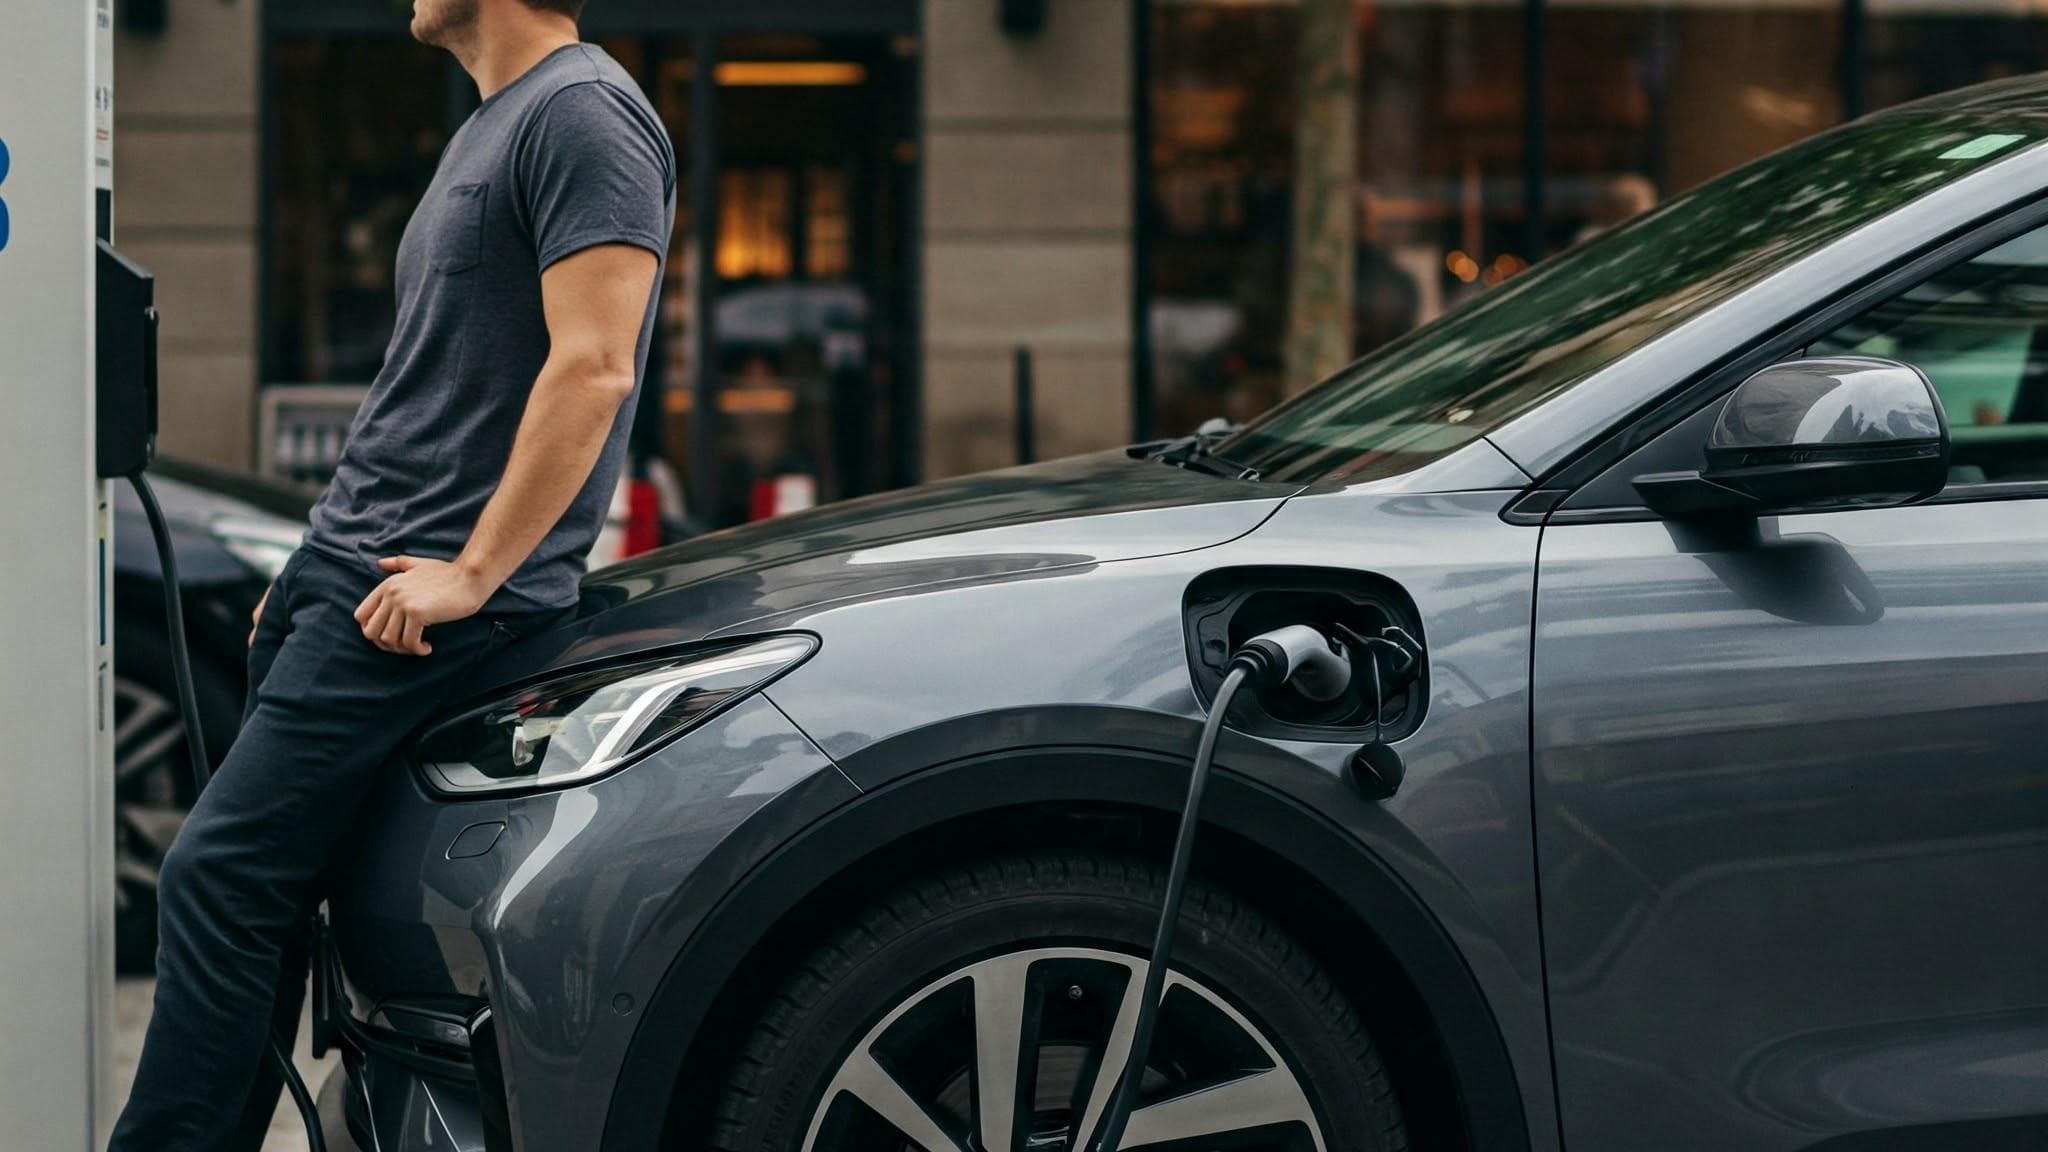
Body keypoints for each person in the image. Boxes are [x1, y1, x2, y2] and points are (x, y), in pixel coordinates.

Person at [109, 0, 674, 1146]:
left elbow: (595, 369)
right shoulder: (497, 119)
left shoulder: (584, 112)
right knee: (255, 898)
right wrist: (318, 557)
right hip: (350, 582)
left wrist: (473, 573)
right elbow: (430, 385)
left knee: (216, 878)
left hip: (415, 607)